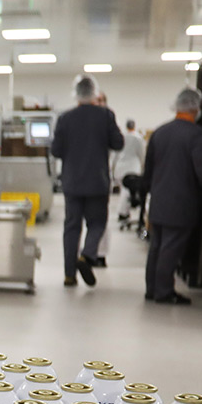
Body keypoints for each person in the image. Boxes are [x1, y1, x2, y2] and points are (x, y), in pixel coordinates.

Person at [142, 88, 202, 305]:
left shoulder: (159, 132)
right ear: (195, 108)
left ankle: (152, 289)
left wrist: (148, 191)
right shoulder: (197, 135)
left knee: (157, 246)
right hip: (181, 202)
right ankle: (164, 292)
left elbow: (148, 169)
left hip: (159, 200)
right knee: (171, 248)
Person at [50, 75, 123, 287]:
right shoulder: (106, 115)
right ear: (95, 93)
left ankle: (69, 275)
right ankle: (87, 255)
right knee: (97, 223)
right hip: (97, 182)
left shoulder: (65, 118)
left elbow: (56, 151)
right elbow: (118, 143)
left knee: (71, 227)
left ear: (75, 94)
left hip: (72, 182)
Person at [115, 119, 148, 235]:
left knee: (124, 191)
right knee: (127, 193)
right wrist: (144, 168)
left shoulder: (122, 137)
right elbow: (142, 154)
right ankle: (123, 213)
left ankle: (123, 212)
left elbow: (116, 153)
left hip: (120, 167)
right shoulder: (138, 138)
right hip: (132, 167)